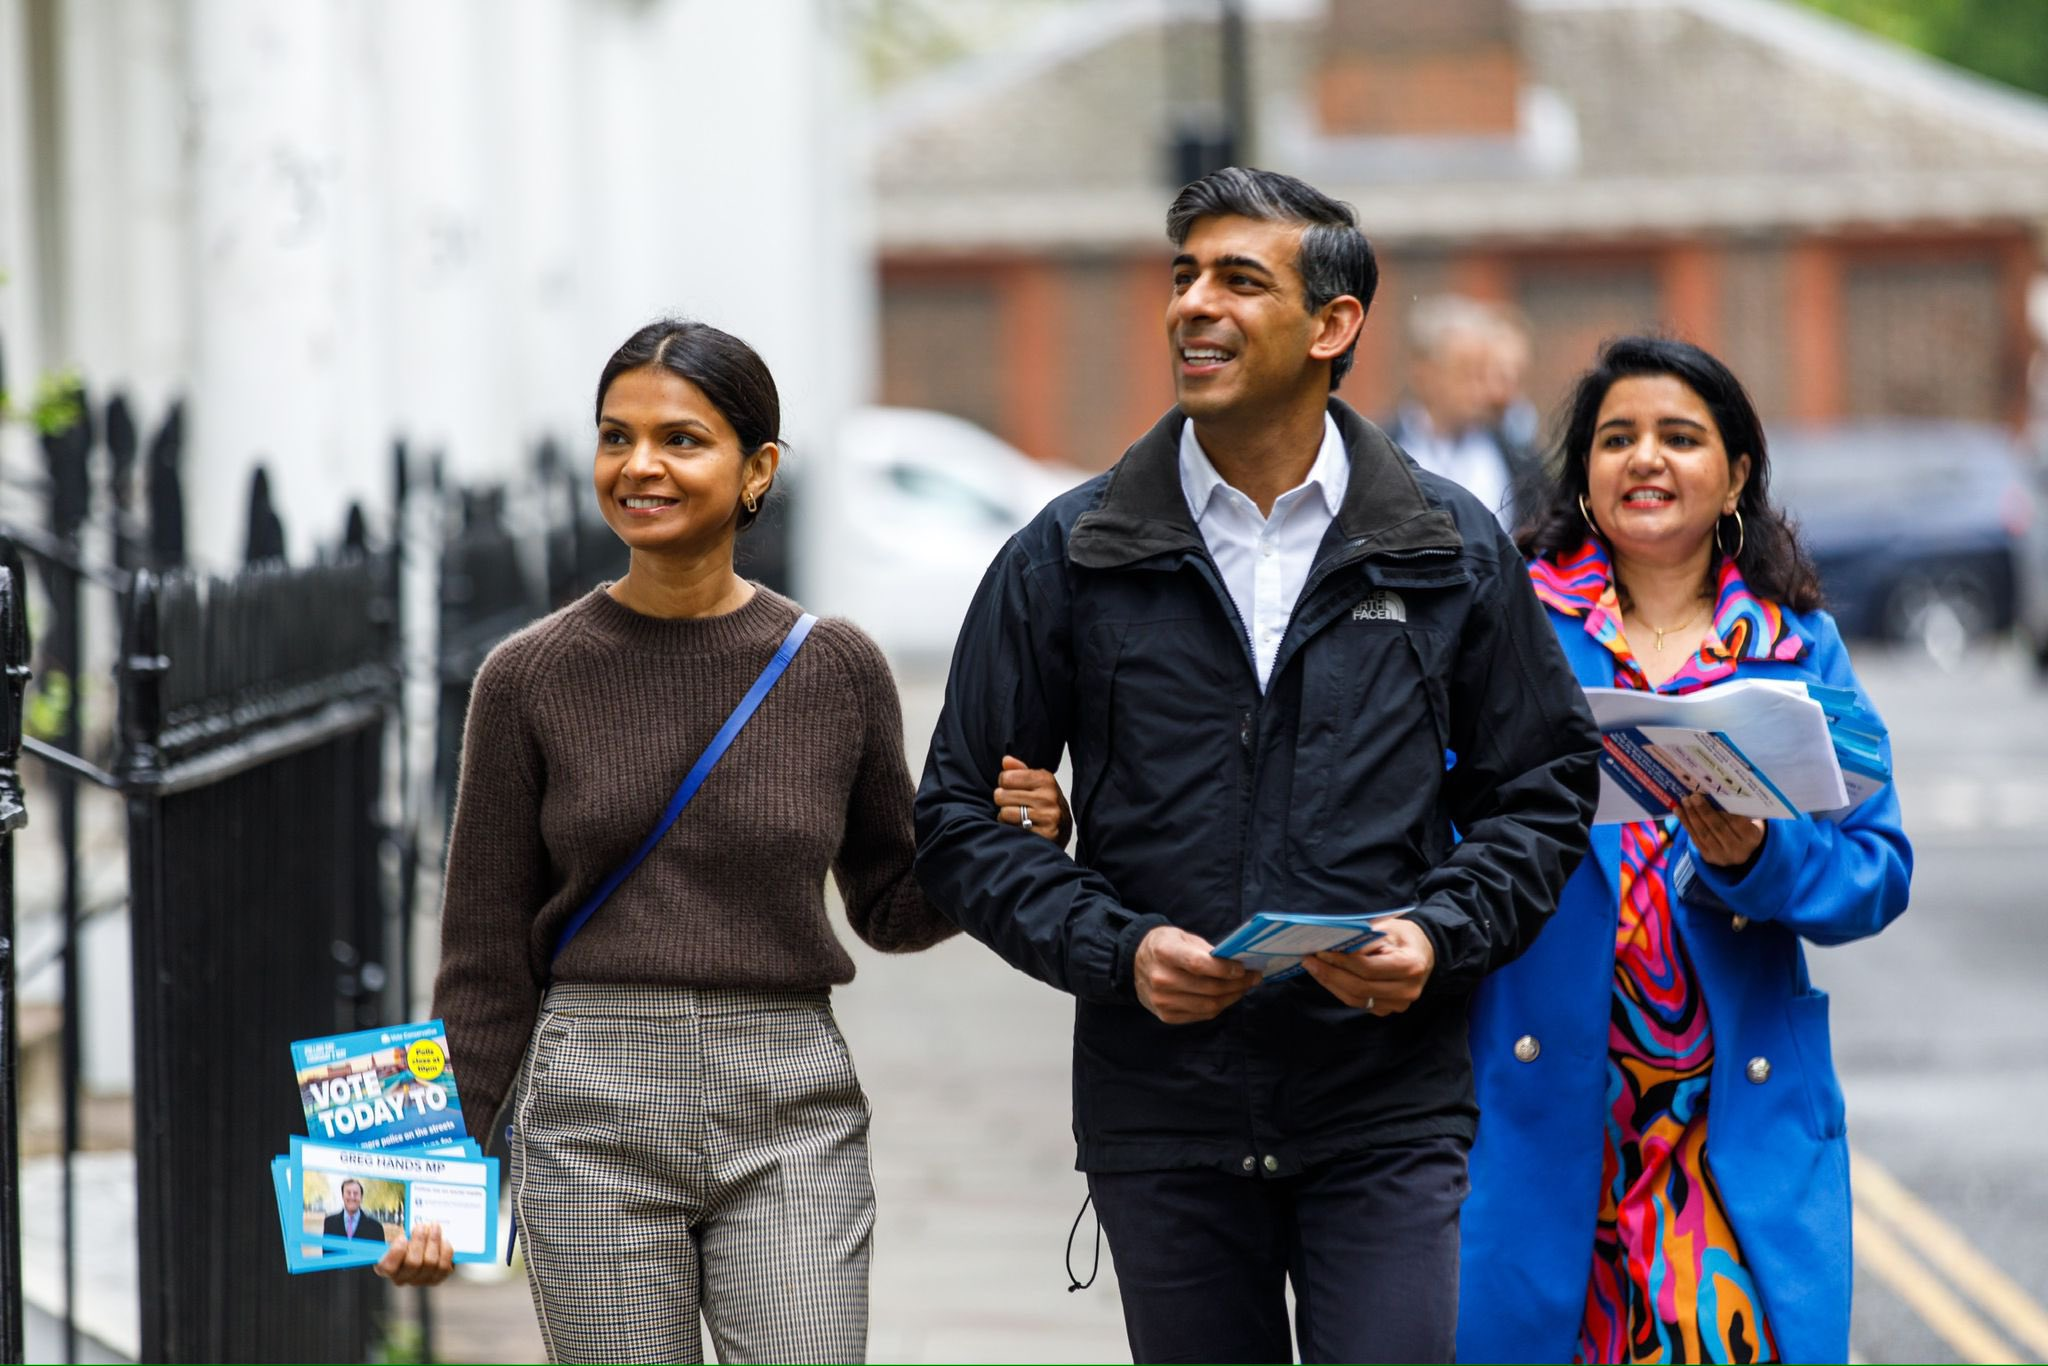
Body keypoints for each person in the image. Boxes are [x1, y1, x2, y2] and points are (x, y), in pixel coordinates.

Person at [913, 167, 1602, 1364]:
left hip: (1384, 1106)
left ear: (1332, 325)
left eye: (1238, 279)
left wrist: (1438, 935)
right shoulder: (1068, 553)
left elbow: (1539, 789)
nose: (1193, 305)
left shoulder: (1448, 548)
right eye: (1182, 277)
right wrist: (1117, 950)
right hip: (1163, 1113)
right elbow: (959, 818)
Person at [381, 318, 1069, 1362]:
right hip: (589, 1104)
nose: (639, 465)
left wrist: (1003, 842)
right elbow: (481, 959)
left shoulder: (833, 667)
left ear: (758, 469)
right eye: (616, 437)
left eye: (680, 439)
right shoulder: (526, 677)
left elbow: (889, 900)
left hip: (789, 1100)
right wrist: (423, 1177)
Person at [1459, 337, 1913, 1364]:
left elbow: (1876, 869)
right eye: (1614, 438)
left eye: (1677, 436)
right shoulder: (1510, 624)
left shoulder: (1797, 646)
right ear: (1581, 472)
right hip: (1545, 1105)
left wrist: (1760, 859)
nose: (1643, 459)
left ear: (1735, 472)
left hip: (1725, 1123)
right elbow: (1435, 822)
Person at [1385, 294, 1543, 532]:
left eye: (1484, 372)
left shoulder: (1519, 459)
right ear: (1424, 373)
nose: (1480, 387)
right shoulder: (1378, 452)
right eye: (1467, 372)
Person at [322, 1179, 386, 1241]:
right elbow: (326, 1250)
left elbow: (380, 1251)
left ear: (361, 1197)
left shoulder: (376, 1227)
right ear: (342, 1196)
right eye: (348, 1193)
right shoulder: (329, 1223)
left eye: (355, 1193)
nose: (352, 1197)